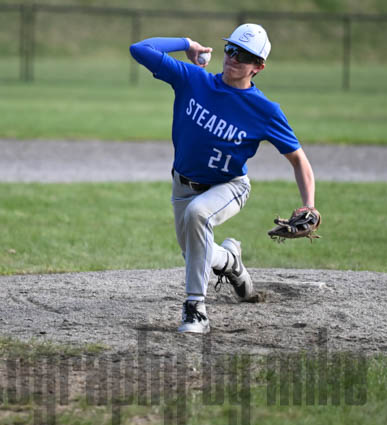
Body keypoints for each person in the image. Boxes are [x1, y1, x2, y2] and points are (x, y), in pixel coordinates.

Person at [129, 24, 317, 334]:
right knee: (194, 254)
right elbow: (140, 50)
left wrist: (309, 204)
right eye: (231, 49)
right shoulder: (193, 79)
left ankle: (196, 311)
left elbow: (299, 161)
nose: (233, 58)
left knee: (198, 214)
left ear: (258, 67)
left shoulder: (265, 110)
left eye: (244, 56)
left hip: (229, 187)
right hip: (183, 185)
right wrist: (186, 43)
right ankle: (231, 261)